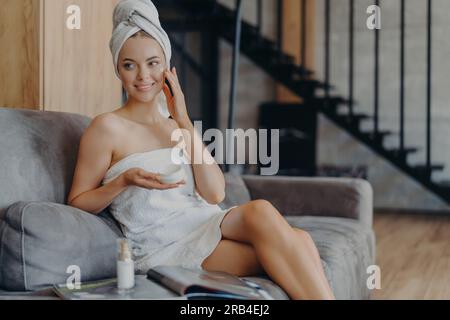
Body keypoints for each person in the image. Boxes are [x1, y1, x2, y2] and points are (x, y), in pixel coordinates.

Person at [67, 0, 335, 300]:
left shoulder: (175, 126)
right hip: (164, 246)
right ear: (118, 69)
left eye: (153, 63)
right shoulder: (106, 128)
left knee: (279, 224)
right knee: (295, 245)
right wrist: (123, 181)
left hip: (204, 221)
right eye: (130, 65)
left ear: (167, 67)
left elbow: (215, 194)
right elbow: (77, 201)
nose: (143, 75)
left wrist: (182, 118)